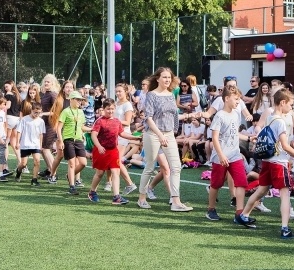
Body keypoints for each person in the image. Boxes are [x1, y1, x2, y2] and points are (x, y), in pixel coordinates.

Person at [238, 89, 294, 239]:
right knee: (285, 194)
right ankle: (285, 228)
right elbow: (284, 145)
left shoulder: (270, 117)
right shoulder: (281, 121)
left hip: (268, 161)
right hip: (279, 162)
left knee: (261, 190)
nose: (291, 108)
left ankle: (243, 215)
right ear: (282, 103)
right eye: (290, 104)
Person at [137, 67, 195, 211]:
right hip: (153, 134)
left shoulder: (170, 94)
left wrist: (175, 130)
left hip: (169, 134)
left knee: (176, 167)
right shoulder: (151, 95)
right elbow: (149, 118)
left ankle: (176, 201)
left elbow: (174, 115)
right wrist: (160, 135)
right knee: (150, 167)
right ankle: (142, 198)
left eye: (169, 77)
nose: (167, 80)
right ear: (157, 79)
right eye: (164, 77)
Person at [205, 86, 252, 224]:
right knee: (216, 183)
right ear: (226, 99)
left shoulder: (236, 114)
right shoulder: (219, 115)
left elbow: (234, 134)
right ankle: (211, 209)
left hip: (235, 155)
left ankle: (240, 213)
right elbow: (215, 137)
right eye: (236, 99)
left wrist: (249, 138)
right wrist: (221, 155)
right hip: (221, 156)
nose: (239, 102)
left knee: (242, 182)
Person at [88, 98, 141, 204]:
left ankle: (116, 197)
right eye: (108, 109)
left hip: (113, 151)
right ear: (103, 109)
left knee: (116, 171)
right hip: (101, 150)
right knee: (100, 173)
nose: (110, 111)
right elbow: (94, 135)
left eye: (112, 109)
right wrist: (98, 146)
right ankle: (92, 192)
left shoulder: (117, 121)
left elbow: (122, 134)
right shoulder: (100, 121)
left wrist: (135, 138)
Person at [56, 90, 88, 194]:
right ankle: (72, 186)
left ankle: (69, 175)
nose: (80, 102)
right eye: (78, 100)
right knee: (71, 164)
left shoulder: (81, 112)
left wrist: (92, 129)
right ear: (72, 100)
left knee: (83, 163)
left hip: (79, 140)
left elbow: (82, 127)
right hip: (68, 140)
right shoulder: (66, 111)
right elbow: (59, 128)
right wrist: (61, 141)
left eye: (81, 100)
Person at [15, 102, 46, 185]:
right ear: (31, 110)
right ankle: (18, 171)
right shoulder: (24, 119)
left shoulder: (41, 121)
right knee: (23, 164)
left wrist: (40, 145)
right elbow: (19, 131)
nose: (37, 114)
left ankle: (34, 180)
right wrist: (17, 142)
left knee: (37, 161)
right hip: (25, 144)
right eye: (35, 112)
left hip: (35, 145)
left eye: (39, 113)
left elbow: (41, 134)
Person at [39, 74, 61, 179]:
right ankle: (49, 170)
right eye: (45, 81)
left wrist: (43, 113)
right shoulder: (44, 94)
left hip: (51, 125)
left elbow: (56, 113)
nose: (46, 83)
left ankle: (54, 174)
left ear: (53, 83)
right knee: (43, 149)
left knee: (46, 149)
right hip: (43, 124)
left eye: (48, 82)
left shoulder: (53, 95)